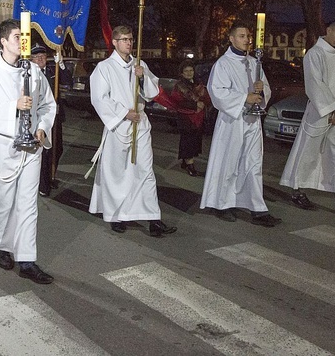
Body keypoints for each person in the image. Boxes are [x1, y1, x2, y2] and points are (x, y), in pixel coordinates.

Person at [0, 19, 57, 284]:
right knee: (3, 201)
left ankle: (27, 259)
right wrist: (14, 106)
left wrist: (42, 127)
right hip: (5, 147)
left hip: (32, 148)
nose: (22, 41)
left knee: (28, 205)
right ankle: (3, 247)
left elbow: (48, 105)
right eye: (18, 37)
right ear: (3, 41)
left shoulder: (34, 71)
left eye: (24, 36)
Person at [88, 25, 177, 237]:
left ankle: (153, 218)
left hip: (141, 124)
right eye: (124, 39)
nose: (129, 43)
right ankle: (116, 215)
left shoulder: (140, 64)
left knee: (145, 171)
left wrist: (143, 76)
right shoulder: (104, 67)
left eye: (130, 39)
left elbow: (153, 92)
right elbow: (99, 98)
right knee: (117, 173)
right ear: (115, 43)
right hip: (119, 125)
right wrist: (123, 113)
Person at [280, 19, 335, 219]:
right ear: (328, 30)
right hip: (319, 113)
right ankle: (297, 192)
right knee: (308, 152)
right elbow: (314, 85)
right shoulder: (314, 54)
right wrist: (333, 109)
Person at [199, 22, 282, 227]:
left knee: (253, 163)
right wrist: (245, 98)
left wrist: (262, 91)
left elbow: (265, 90)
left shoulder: (255, 63)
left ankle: (257, 208)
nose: (247, 40)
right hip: (232, 121)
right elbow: (217, 92)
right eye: (242, 36)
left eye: (248, 36)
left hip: (252, 122)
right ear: (232, 38)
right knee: (230, 162)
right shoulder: (223, 64)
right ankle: (223, 204)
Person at [30, 43, 72, 197]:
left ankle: (51, 175)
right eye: (37, 57)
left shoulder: (52, 70)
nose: (41, 59)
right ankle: (43, 183)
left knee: (57, 148)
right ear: (32, 59)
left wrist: (61, 64)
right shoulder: (30, 73)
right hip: (40, 118)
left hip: (55, 117)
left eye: (43, 56)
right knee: (45, 151)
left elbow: (67, 81)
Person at [170, 59, 209, 177]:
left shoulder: (198, 83)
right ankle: (190, 165)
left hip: (198, 116)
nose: (189, 73)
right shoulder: (179, 86)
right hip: (185, 117)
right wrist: (195, 104)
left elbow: (206, 97)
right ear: (181, 73)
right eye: (186, 71)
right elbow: (177, 101)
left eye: (191, 70)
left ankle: (185, 162)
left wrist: (204, 103)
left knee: (194, 141)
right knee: (188, 141)